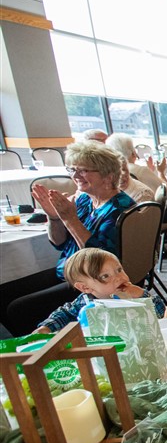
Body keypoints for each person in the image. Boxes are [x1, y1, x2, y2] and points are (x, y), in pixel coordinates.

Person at [5, 142, 135, 335]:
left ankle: (42, 352)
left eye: (83, 171)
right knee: (4, 293)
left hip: (95, 281)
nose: (75, 176)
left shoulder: (120, 208)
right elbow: (58, 243)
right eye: (73, 169)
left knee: (19, 308)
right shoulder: (83, 200)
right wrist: (55, 217)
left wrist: (70, 218)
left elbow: (100, 260)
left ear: (108, 176)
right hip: (68, 269)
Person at [35, 248, 166, 333]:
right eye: (105, 276)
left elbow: (162, 314)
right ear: (85, 287)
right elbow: (64, 314)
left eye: (119, 270)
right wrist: (46, 327)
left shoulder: (132, 296)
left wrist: (141, 295)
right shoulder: (85, 302)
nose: (118, 278)